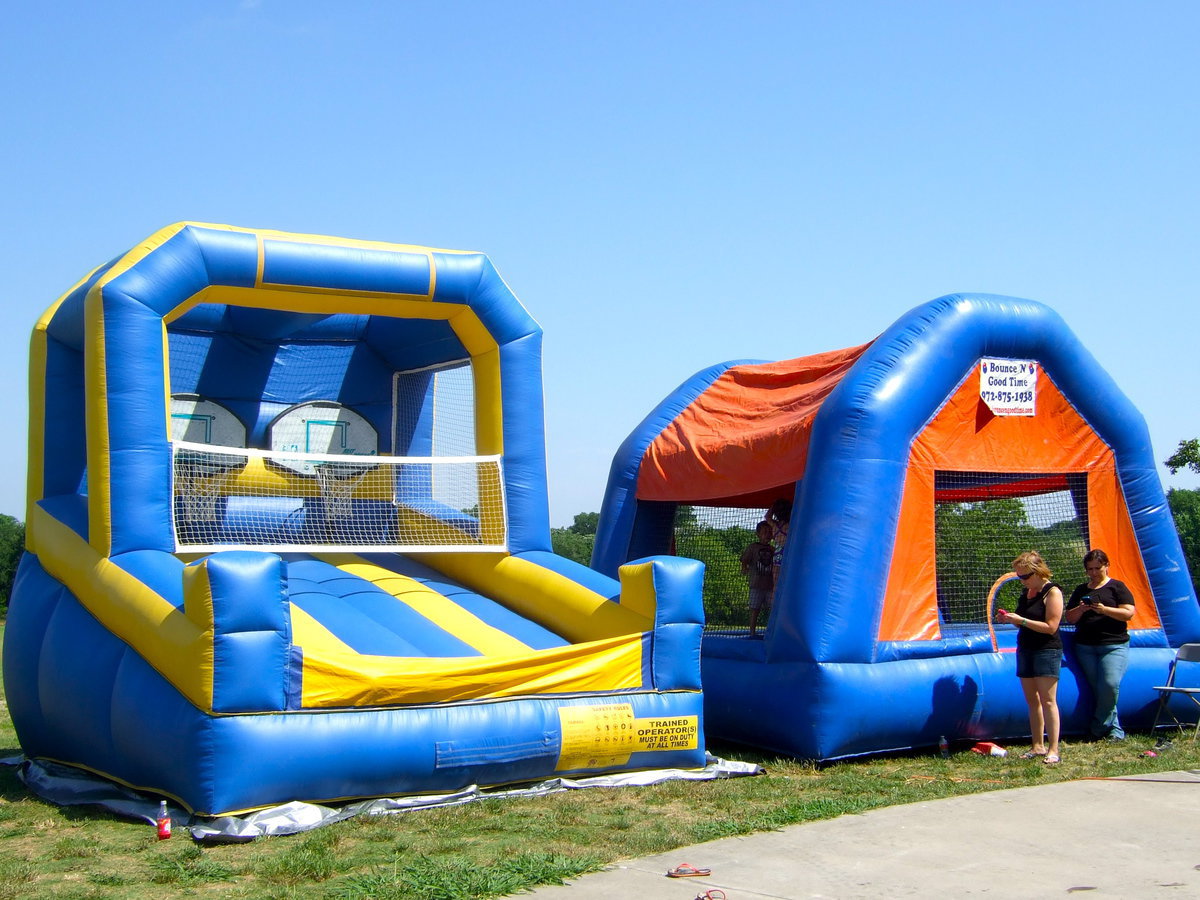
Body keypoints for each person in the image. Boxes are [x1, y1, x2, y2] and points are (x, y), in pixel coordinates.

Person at [995, 551, 1064, 764]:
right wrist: (1009, 619)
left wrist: (1022, 621)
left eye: (1025, 577)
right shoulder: (1026, 594)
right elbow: (1023, 621)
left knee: (1048, 700)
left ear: (1037, 572)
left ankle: (1053, 749)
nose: (1022, 581)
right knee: (1032, 701)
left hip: (1046, 650)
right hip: (1025, 648)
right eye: (1019, 577)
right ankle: (1037, 745)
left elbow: (1051, 627)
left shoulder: (1052, 592)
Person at [1064, 549, 1135, 741]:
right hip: (1086, 647)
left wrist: (1105, 610)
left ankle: (1097, 729)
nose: (1094, 573)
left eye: (1098, 568)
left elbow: (1128, 613)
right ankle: (1116, 731)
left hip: (1114, 645)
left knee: (1110, 685)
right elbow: (1069, 618)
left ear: (1106, 566)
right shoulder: (1081, 590)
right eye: (1090, 569)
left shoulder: (1117, 587)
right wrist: (1081, 608)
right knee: (1099, 690)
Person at [740, 521, 776, 637]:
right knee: (754, 609)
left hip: (770, 585)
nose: (768, 534)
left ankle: (771, 632)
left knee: (773, 609)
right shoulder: (753, 547)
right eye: (765, 532)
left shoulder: (773, 549)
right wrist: (744, 567)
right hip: (756, 584)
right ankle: (752, 632)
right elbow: (744, 559)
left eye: (770, 532)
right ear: (758, 534)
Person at [766, 497, 792, 595]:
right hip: (788, 554)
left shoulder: (775, 525)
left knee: (776, 585)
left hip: (778, 555)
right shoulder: (790, 525)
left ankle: (774, 607)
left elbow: (767, 516)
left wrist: (773, 506)